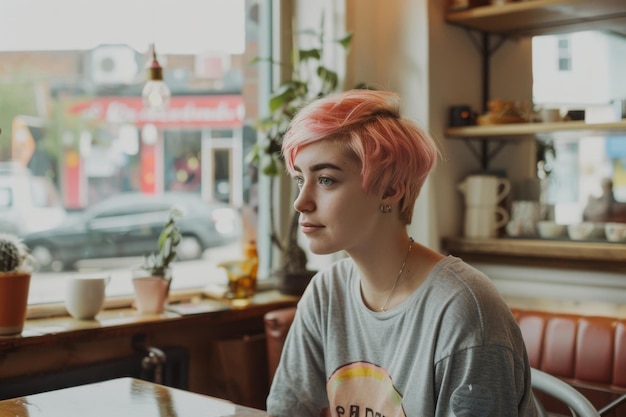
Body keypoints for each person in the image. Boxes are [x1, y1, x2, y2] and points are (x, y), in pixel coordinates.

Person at [266, 89, 539, 417]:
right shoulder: (326, 294)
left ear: (390, 189)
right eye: (299, 180)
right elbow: (287, 410)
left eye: (325, 180)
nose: (301, 202)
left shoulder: (463, 310)